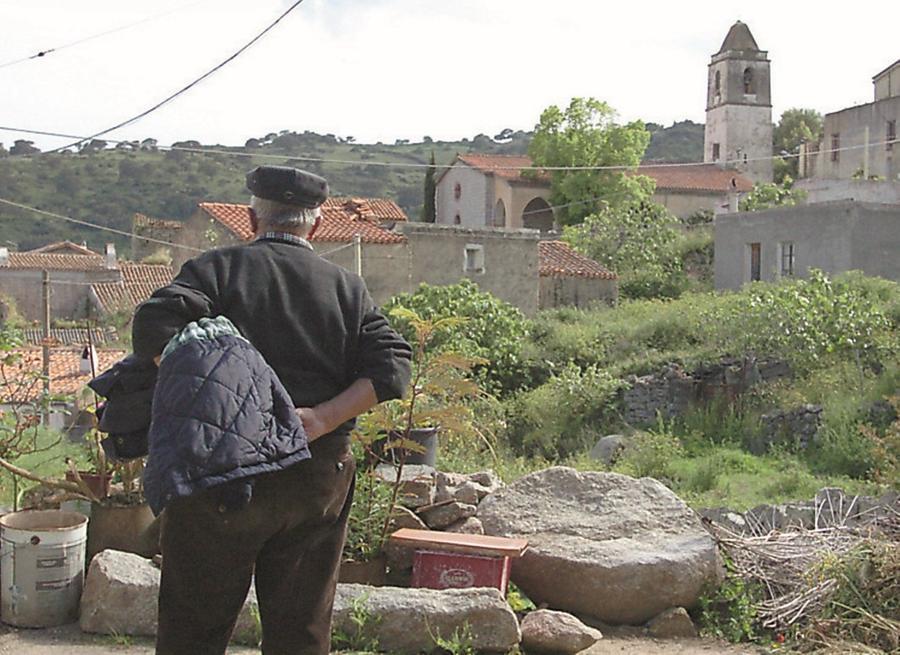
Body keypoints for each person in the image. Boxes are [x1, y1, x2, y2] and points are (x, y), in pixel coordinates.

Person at [132, 165, 412, 655]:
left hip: (219, 476)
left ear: (249, 218)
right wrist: (322, 419)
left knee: (192, 631)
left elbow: (154, 325)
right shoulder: (347, 289)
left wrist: (232, 408)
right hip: (314, 475)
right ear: (317, 226)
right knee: (300, 632)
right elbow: (392, 367)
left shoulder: (215, 271)